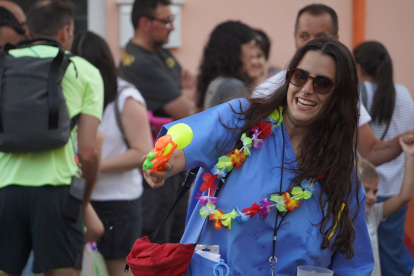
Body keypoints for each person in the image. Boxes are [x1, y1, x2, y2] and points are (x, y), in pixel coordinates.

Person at [144, 37, 374, 275]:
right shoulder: (240, 120)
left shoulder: (340, 173)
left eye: (322, 83)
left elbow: (354, 263)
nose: (306, 89)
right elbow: (184, 147)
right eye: (300, 76)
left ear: (339, 95)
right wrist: (163, 164)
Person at [0, 1, 103, 275]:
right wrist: (83, 201)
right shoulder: (85, 71)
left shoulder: (3, 64)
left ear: (29, 31)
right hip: (57, 192)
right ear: (65, 32)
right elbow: (88, 152)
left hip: (4, 190)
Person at [252, 3, 414, 167]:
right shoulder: (267, 89)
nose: (311, 43)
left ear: (336, 40)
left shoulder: (343, 92)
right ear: (295, 37)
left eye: (323, 84)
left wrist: (403, 140)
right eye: (304, 36)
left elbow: (370, 151)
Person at [71, 31, 153, 276]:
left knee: (119, 270)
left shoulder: (125, 97)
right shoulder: (73, 95)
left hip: (118, 203)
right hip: (80, 200)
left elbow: (143, 151)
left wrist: (94, 164)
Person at [118, 0, 193, 244]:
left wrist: (186, 94)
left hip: (173, 160)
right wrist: (185, 95)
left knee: (177, 238)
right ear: (145, 23)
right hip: (156, 166)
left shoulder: (160, 53)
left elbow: (190, 87)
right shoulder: (140, 64)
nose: (172, 27)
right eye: (166, 21)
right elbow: (186, 109)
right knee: (158, 242)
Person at [354, 41, 414, 276]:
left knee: (363, 251)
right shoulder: (404, 94)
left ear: (357, 67)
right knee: (390, 250)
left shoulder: (357, 93)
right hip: (396, 185)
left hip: (364, 186)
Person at [358, 153, 414, 276]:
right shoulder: (339, 218)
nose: (372, 197)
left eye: (375, 191)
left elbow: (404, 197)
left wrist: (410, 158)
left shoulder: (373, 214)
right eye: (366, 189)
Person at [196, 21, 255, 111]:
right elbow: (251, 123)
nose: (252, 55)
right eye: (251, 47)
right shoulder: (232, 87)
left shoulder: (219, 82)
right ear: (236, 50)